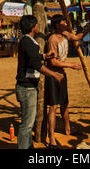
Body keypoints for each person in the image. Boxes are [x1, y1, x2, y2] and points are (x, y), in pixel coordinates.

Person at [44, 14, 90, 148]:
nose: (66, 23)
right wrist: (70, 65)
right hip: (53, 75)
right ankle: (52, 137)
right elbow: (53, 61)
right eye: (63, 22)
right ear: (56, 24)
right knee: (53, 106)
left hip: (62, 75)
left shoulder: (65, 34)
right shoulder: (52, 40)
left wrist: (89, 28)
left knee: (65, 104)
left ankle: (68, 129)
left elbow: (77, 37)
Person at [15, 15, 64, 149]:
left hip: (28, 86)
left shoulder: (27, 41)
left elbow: (32, 58)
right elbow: (37, 65)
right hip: (27, 88)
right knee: (27, 124)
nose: (38, 26)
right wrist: (54, 74)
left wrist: (44, 56)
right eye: (36, 24)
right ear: (33, 27)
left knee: (28, 121)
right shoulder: (28, 42)